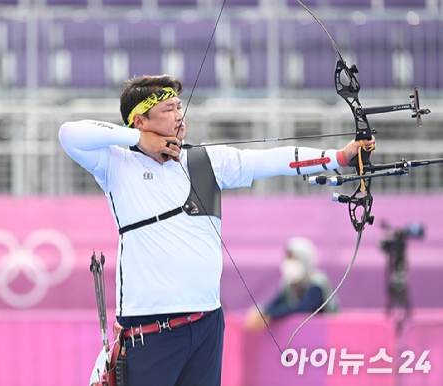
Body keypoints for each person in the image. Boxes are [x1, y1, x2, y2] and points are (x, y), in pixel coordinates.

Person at [59, 74, 374, 386]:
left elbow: (272, 160)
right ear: (139, 120)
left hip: (207, 325)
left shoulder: (206, 161)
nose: (179, 115)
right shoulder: (116, 164)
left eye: (179, 107)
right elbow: (69, 133)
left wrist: (339, 157)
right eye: (168, 109)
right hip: (150, 331)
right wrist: (137, 140)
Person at [244, 237, 339, 333]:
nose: (288, 263)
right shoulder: (289, 285)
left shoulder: (318, 283)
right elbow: (276, 302)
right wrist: (261, 310)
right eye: (287, 259)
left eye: (293, 259)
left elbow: (303, 308)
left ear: (305, 260)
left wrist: (270, 314)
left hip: (324, 336)